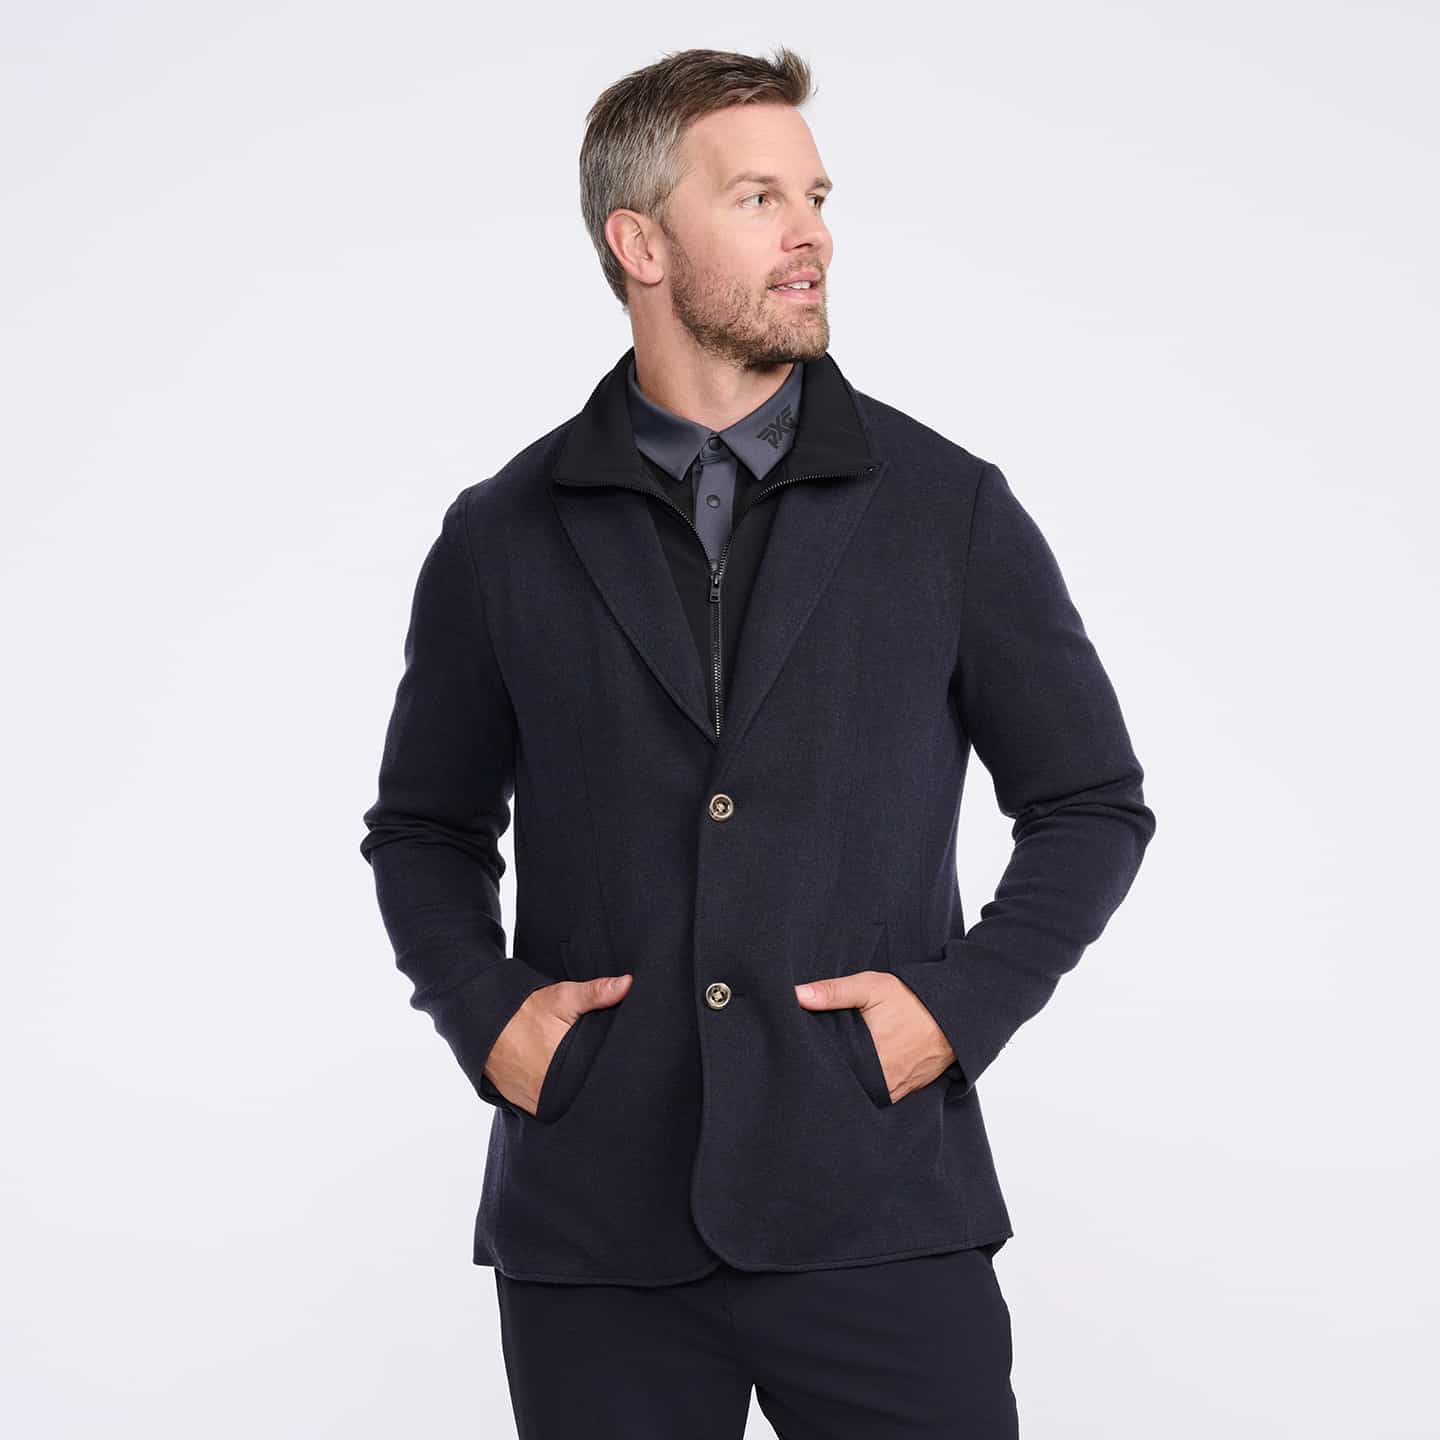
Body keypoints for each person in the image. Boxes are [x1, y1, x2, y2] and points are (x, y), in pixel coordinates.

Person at [360, 44, 1156, 1438]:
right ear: (640, 244)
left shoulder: (946, 508)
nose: (812, 234)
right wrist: (486, 1018)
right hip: (597, 1222)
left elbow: (1091, 800)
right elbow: (424, 830)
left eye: (817, 196)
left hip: (878, 1201)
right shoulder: (503, 534)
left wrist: (959, 1011)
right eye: (757, 198)